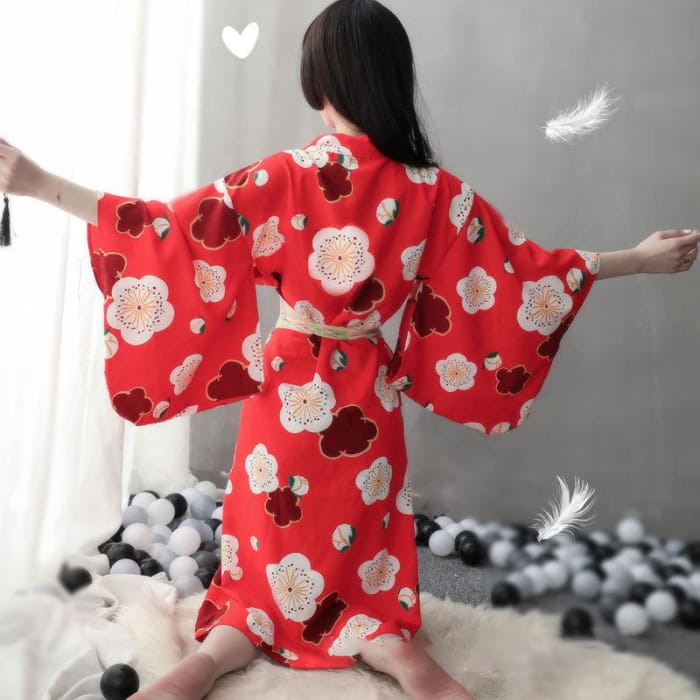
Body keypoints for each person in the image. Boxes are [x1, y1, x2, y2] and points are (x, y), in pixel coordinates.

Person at [2, 0, 698, 698]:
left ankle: (210, 659)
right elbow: (521, 272)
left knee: (264, 561)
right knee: (361, 557)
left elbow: (165, 231)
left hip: (286, 394)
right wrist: (636, 258)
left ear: (320, 83)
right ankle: (392, 648)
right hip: (367, 397)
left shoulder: (286, 174)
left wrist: (38, 183)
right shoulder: (434, 191)